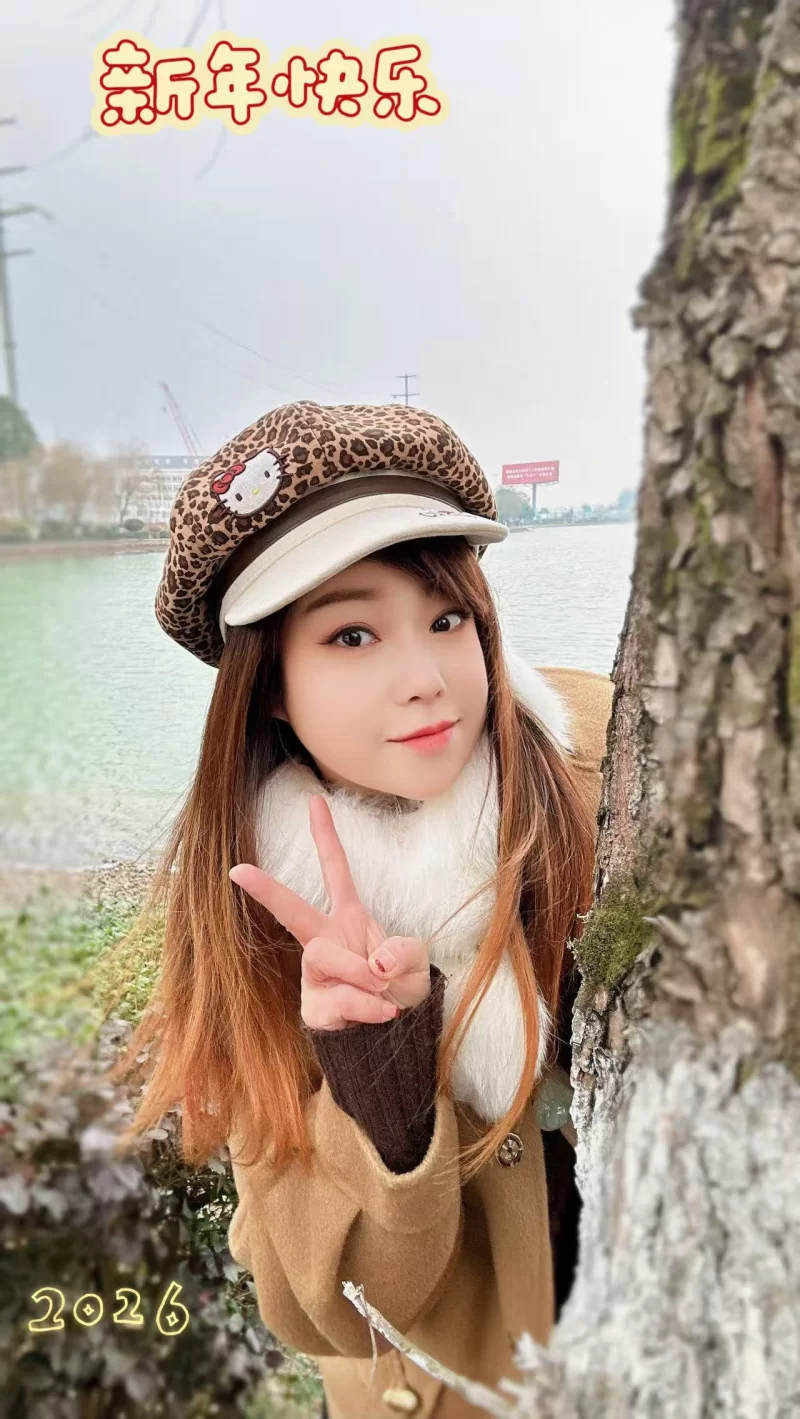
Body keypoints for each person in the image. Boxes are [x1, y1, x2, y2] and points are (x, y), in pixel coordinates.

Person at [118, 400, 613, 1419]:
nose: (424, 679)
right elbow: (321, 1311)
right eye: (351, 634)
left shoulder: (610, 757)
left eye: (446, 618)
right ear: (269, 686)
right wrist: (377, 1073)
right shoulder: (257, 913)